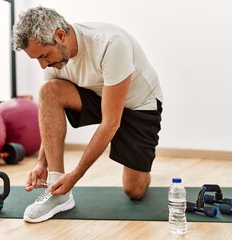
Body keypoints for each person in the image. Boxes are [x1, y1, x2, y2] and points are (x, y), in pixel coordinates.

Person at [12, 6, 163, 223]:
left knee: (134, 190)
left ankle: (143, 172)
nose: (43, 64)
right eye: (37, 59)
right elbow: (48, 110)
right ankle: (59, 195)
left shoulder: (111, 44)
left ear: (60, 35)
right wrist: (41, 163)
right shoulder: (52, 63)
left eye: (44, 56)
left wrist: (75, 175)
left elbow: (111, 123)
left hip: (140, 104)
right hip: (98, 96)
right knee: (48, 91)